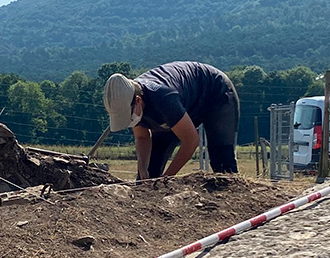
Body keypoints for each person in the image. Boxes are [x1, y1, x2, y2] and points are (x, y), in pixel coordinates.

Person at [103, 61, 240, 180]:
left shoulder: (164, 99)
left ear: (138, 101)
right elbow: (142, 136)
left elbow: (191, 141)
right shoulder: (131, 100)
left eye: (129, 116)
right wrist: (142, 167)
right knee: (150, 171)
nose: (130, 122)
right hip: (182, 105)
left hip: (215, 93)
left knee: (222, 163)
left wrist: (168, 177)